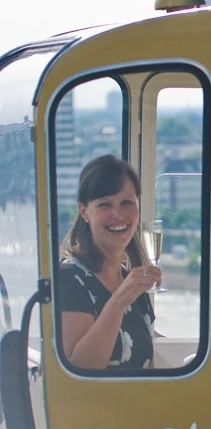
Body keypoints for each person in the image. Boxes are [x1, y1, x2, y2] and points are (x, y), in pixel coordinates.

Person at [58, 155, 162, 369]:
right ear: (84, 212)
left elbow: (148, 369)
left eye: (127, 203)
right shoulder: (69, 278)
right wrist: (120, 300)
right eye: (105, 205)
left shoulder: (133, 283)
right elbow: (80, 369)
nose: (118, 214)